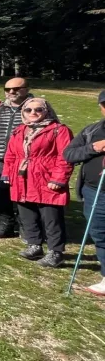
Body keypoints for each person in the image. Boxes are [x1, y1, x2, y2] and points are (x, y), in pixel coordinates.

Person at [3, 98, 73, 268]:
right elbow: (11, 154)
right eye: (28, 110)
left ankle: (55, 252)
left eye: (38, 110)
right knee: (27, 213)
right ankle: (34, 245)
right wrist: (7, 173)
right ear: (23, 112)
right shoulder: (20, 130)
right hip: (22, 177)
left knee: (51, 217)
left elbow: (65, 157)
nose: (33, 113)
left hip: (46, 178)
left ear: (46, 111)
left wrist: (58, 179)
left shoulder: (59, 130)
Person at [0, 78, 33, 237]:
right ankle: (6, 224)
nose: (11, 92)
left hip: (24, 161)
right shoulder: (1, 109)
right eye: (7, 89)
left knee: (24, 194)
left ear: (26, 89)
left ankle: (27, 227)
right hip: (0, 159)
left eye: (16, 89)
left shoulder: (36, 108)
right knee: (1, 193)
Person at [63, 91, 105, 295]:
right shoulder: (92, 131)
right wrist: (94, 148)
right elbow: (69, 154)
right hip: (94, 191)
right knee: (99, 232)